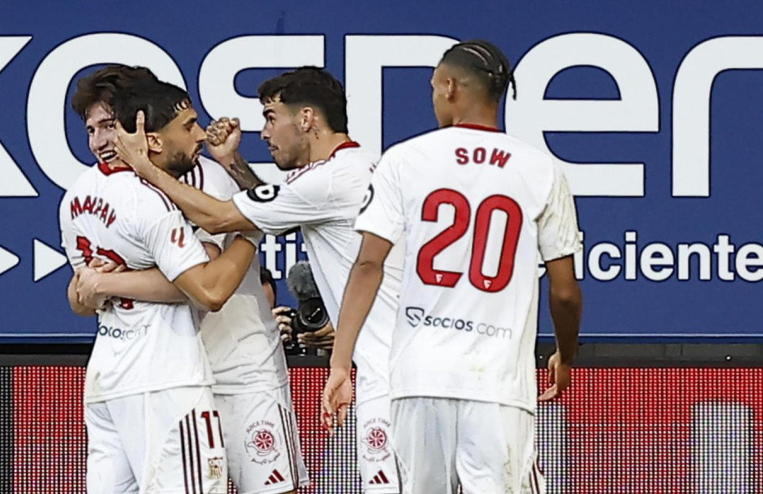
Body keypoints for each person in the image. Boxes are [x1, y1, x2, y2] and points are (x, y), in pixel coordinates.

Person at [113, 67, 406, 493]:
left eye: (271, 117)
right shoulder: (352, 168)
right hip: (409, 365)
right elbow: (281, 215)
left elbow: (220, 216)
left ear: (306, 119)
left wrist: (146, 169)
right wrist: (230, 161)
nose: (264, 132)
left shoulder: (329, 180)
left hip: (390, 373)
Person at [322, 39, 583, 493]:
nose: (432, 96)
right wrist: (565, 355)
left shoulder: (403, 159)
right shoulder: (542, 170)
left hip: (418, 377)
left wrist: (341, 363)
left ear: (449, 87)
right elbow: (563, 291)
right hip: (498, 384)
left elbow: (368, 265)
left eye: (433, 87)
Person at [69, 67, 308, 494]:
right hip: (171, 370)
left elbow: (219, 269)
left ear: (142, 125)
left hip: (241, 364)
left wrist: (233, 165)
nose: (103, 141)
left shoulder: (209, 175)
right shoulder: (105, 194)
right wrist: (93, 285)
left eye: (110, 125)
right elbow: (82, 294)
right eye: (92, 130)